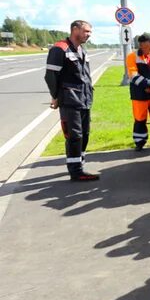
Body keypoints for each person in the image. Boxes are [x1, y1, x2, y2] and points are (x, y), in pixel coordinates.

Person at [44, 20, 100, 181]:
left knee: (85, 134)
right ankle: (76, 171)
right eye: (86, 31)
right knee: (74, 135)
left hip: (85, 98)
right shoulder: (59, 49)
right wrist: (56, 96)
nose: (88, 35)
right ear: (74, 29)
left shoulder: (81, 49)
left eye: (90, 32)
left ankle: (78, 163)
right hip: (70, 99)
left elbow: (85, 76)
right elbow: (50, 76)